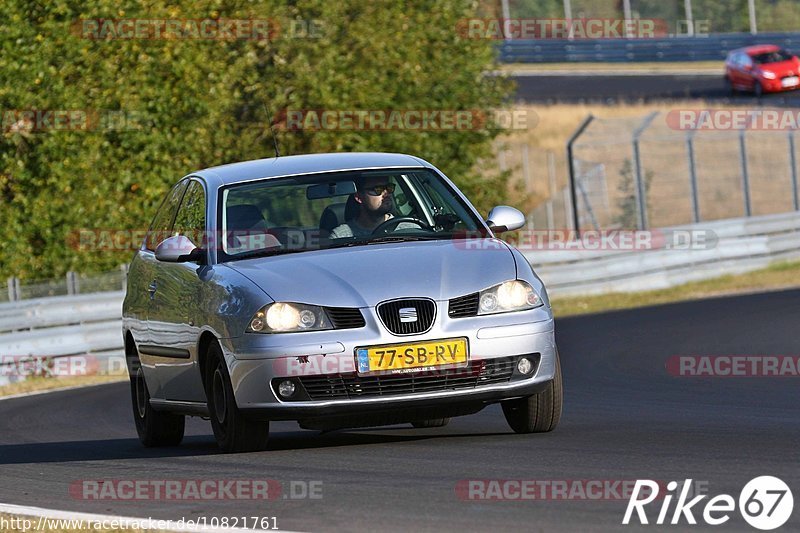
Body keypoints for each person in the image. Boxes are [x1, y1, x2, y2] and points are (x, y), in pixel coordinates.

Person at [329, 176, 408, 239]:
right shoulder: (340, 237)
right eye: (378, 189)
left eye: (389, 188)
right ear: (358, 197)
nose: (386, 194)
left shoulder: (409, 229)